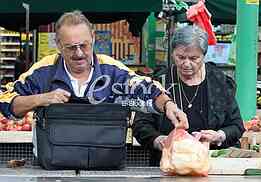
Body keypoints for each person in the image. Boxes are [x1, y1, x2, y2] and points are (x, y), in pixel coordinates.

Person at [0, 11, 189, 158]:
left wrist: (168, 104)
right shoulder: (44, 70)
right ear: (58, 44)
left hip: (105, 164)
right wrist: (41, 99)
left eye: (84, 45)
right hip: (52, 165)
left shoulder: (111, 70)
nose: (79, 53)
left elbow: (145, 88)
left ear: (93, 38)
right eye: (71, 47)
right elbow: (6, 101)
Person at [133, 25, 245, 166]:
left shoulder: (219, 82)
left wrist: (217, 136)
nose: (186, 64)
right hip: (168, 165)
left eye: (194, 58)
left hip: (211, 166)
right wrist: (161, 141)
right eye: (180, 57)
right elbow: (140, 125)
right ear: (172, 53)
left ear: (204, 56)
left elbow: (236, 125)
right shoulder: (159, 82)